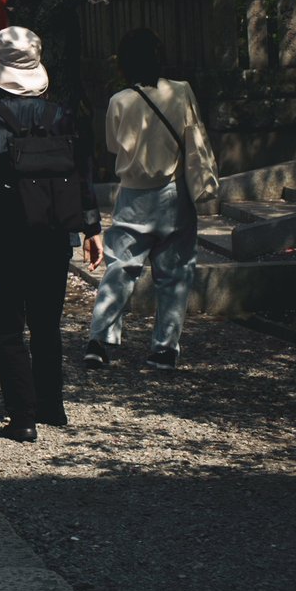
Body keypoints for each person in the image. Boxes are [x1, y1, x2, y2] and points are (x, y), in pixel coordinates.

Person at [0, 26, 103, 442]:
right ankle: (51, 404)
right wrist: (92, 228)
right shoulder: (62, 115)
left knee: (7, 326)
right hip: (55, 232)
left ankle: (22, 416)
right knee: (46, 322)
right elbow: (82, 175)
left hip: (3, 234)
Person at [84, 28, 210, 371]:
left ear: (123, 64)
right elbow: (194, 136)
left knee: (121, 269)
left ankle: (100, 340)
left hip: (133, 194)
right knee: (174, 273)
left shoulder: (118, 101)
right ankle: (164, 348)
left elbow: (113, 146)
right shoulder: (181, 91)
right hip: (174, 193)